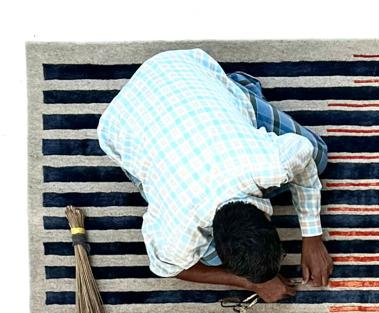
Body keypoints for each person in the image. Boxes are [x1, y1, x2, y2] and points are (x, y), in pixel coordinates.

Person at [97, 48, 332, 300]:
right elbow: (169, 267)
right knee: (209, 258)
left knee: (318, 156)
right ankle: (232, 93)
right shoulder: (178, 233)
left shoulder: (269, 164)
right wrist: (251, 284)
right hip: (120, 123)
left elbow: (306, 154)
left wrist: (312, 235)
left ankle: (236, 89)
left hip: (180, 67)